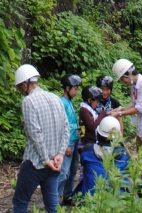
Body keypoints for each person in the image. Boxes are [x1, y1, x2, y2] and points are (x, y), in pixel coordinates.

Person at [12, 64, 70, 213]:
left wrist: (45, 160)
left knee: (20, 201)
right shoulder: (55, 98)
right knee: (52, 205)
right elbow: (66, 128)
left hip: (35, 163)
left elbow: (35, 134)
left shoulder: (28, 102)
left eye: (20, 87)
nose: (20, 91)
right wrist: (60, 154)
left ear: (25, 84)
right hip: (54, 163)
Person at [74, 116, 130, 197]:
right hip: (116, 202)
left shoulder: (87, 151)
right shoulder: (125, 156)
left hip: (90, 201)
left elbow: (83, 162)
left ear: (98, 134)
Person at [58, 74, 81, 207]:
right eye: (75, 89)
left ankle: (67, 196)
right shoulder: (62, 102)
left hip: (75, 139)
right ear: (67, 88)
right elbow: (62, 124)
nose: (76, 92)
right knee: (64, 172)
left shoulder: (70, 103)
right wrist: (66, 145)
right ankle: (53, 198)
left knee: (72, 171)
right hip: (69, 142)